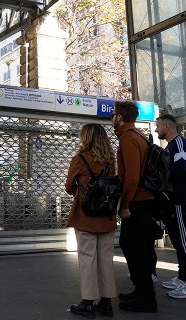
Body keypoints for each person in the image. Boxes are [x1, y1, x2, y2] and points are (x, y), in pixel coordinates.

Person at [64, 123, 118, 318]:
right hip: (106, 217)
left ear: (85, 138)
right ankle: (106, 302)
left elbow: (69, 187)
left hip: (85, 217)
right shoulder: (110, 161)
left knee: (87, 259)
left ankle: (88, 303)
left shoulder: (79, 159)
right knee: (106, 260)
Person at [110, 101, 157, 313]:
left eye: (113, 114)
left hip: (137, 201)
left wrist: (125, 204)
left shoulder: (128, 138)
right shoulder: (138, 136)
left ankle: (146, 297)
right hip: (143, 200)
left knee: (132, 246)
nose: (112, 117)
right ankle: (141, 291)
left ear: (120, 117)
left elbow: (131, 177)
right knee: (134, 246)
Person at [154, 114, 186, 299]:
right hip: (173, 201)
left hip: (179, 200)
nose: (156, 129)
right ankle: (182, 278)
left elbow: (183, 171)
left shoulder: (180, 144)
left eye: (158, 126)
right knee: (178, 241)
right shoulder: (172, 146)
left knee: (183, 241)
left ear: (167, 127)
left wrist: (161, 177)